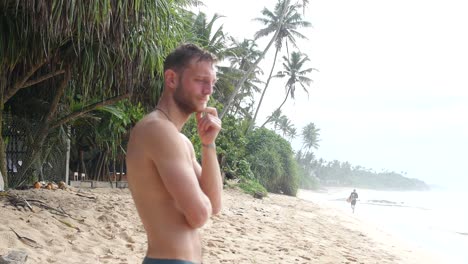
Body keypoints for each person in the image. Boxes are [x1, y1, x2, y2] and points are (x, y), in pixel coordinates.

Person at [126, 43, 222, 264]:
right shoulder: (157, 129)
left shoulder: (181, 141)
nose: (208, 91)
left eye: (212, 83)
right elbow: (198, 214)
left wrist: (208, 145)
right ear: (171, 79)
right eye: (200, 81)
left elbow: (214, 205)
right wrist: (201, 200)